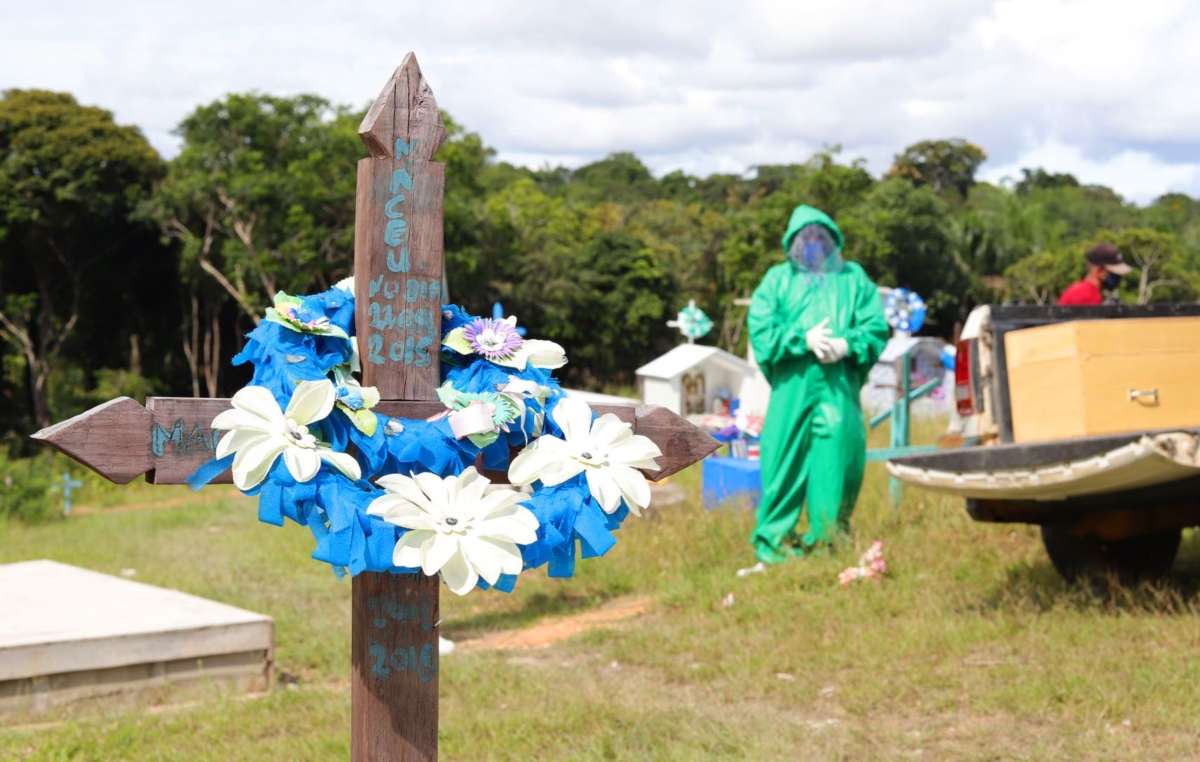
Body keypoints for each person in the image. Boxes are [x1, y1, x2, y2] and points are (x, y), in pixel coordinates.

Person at [742, 205, 888, 572]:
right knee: (782, 464)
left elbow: (874, 326)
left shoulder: (853, 279)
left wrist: (848, 345)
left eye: (820, 235)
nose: (812, 244)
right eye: (804, 237)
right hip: (792, 389)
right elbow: (760, 326)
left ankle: (828, 544)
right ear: (791, 241)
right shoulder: (777, 280)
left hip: (837, 390)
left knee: (836, 463)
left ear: (833, 239)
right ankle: (774, 545)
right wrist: (799, 339)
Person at [1057, 243, 1131, 306]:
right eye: (1113, 273)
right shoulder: (1087, 296)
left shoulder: (1082, 290)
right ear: (1098, 271)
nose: (1118, 277)